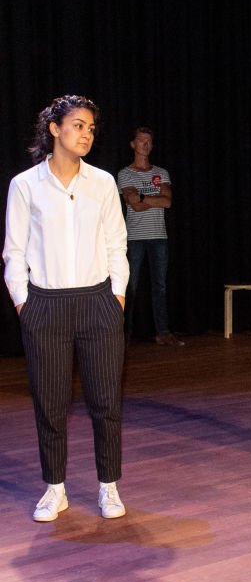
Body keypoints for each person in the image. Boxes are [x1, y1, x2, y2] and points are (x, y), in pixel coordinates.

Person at [3, 95, 130, 521]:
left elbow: (117, 242)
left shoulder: (103, 182)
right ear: (55, 129)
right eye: (78, 125)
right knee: (51, 403)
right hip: (46, 305)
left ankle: (108, 486)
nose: (86, 134)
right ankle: (54, 489)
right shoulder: (25, 185)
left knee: (106, 401)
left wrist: (117, 296)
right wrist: (24, 302)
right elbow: (14, 251)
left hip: (97, 302)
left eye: (91, 128)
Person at [117, 126, 182, 346]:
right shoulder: (125, 173)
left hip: (159, 237)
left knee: (160, 285)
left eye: (149, 141)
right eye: (141, 140)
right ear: (133, 144)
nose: (145, 144)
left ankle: (163, 332)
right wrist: (151, 198)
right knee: (131, 287)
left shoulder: (161, 173)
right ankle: (123, 334)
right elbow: (133, 204)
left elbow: (168, 201)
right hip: (134, 237)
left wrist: (143, 196)